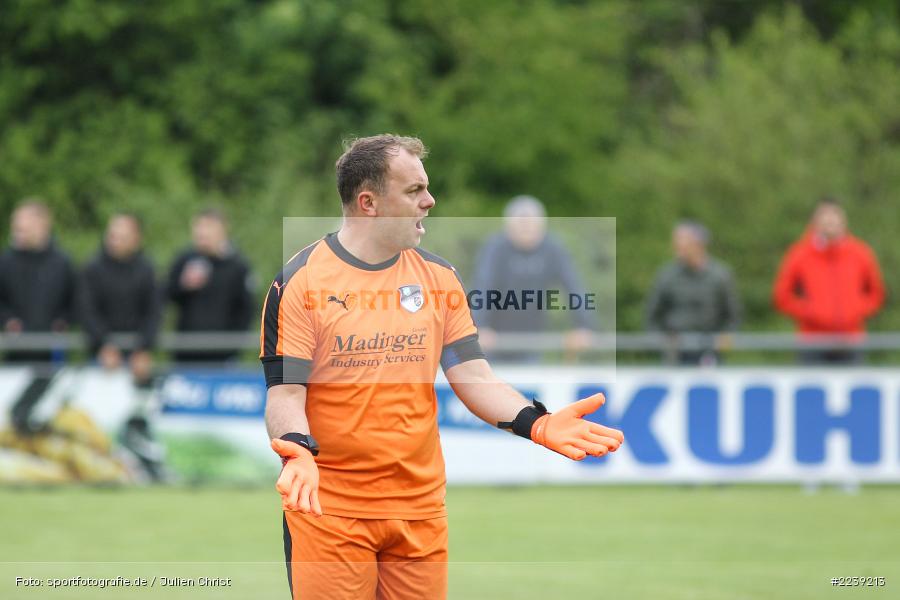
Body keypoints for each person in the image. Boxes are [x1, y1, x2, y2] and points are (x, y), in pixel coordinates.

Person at [260, 134, 624, 600]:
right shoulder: (301, 281)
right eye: (414, 191)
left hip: (420, 511)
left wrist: (537, 422)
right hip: (330, 510)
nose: (429, 201)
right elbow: (286, 394)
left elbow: (473, 376)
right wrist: (297, 450)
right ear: (369, 202)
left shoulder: (439, 278)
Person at [78, 212, 166, 480]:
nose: (116, 240)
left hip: (137, 362)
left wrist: (143, 349)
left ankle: (140, 468)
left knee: (138, 418)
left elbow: (154, 312)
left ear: (136, 238)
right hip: (99, 360)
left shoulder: (147, 269)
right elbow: (86, 310)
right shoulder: (92, 269)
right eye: (113, 234)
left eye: (123, 236)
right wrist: (103, 345)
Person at [470, 195, 594, 362]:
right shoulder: (495, 248)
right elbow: (483, 287)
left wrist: (583, 326)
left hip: (532, 339)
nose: (526, 230)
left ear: (542, 226)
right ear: (508, 227)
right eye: (521, 226)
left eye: (531, 225)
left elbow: (573, 286)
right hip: (493, 340)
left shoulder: (553, 249)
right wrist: (479, 326)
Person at [773, 199, 885, 364]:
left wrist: (856, 310)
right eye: (824, 216)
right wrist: (809, 312)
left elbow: (876, 293)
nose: (830, 221)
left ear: (843, 220)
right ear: (814, 222)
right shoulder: (800, 254)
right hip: (813, 342)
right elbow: (782, 296)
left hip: (851, 341)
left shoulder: (860, 253)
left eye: (834, 215)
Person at [644, 220, 741, 365]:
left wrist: (723, 339)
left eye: (683, 242)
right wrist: (663, 342)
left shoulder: (720, 275)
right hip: (675, 355)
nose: (677, 247)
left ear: (698, 244)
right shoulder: (667, 276)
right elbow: (652, 315)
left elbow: (733, 315)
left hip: (710, 353)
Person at [166, 208, 255, 364]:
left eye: (207, 228)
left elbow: (247, 310)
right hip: (186, 353)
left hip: (223, 357)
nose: (201, 234)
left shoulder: (238, 266)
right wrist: (183, 285)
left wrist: (234, 347)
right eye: (198, 228)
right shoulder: (185, 259)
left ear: (222, 231)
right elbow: (165, 295)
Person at [0, 199, 77, 365]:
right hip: (15, 351)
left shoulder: (62, 262)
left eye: (23, 229)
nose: (17, 234)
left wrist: (63, 321)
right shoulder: (5, 262)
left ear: (43, 226)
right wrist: (7, 320)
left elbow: (76, 300)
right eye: (16, 228)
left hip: (53, 352)